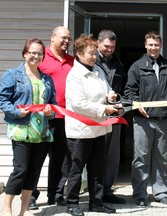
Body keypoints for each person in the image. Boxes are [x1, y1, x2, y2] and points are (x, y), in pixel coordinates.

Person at [0, 38, 57, 216]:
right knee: (20, 169)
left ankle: (25, 209)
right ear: (25, 54)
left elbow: (52, 104)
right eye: (33, 53)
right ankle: (6, 208)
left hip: (41, 132)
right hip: (22, 130)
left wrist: (49, 112)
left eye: (40, 53)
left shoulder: (47, 79)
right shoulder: (13, 74)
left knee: (34, 171)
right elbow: (1, 99)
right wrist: (16, 111)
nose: (36, 56)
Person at [124, 31, 167, 206]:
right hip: (143, 119)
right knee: (140, 156)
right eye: (150, 44)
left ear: (160, 45)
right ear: (145, 45)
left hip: (164, 119)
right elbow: (129, 92)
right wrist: (136, 104)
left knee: (162, 158)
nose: (153, 48)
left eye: (156, 45)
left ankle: (161, 192)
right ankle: (140, 194)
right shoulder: (137, 66)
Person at [65, 34, 119, 216]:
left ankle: (96, 202)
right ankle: (72, 203)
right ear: (79, 53)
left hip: (99, 129)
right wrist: (105, 108)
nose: (95, 57)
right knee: (76, 170)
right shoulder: (74, 75)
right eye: (91, 53)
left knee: (97, 169)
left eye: (95, 53)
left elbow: (106, 89)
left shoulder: (98, 70)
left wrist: (110, 96)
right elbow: (79, 104)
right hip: (80, 131)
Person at [29, 26, 74, 209]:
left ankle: (55, 194)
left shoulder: (72, 60)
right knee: (36, 159)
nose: (66, 41)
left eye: (68, 38)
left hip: (64, 118)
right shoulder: (41, 56)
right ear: (52, 37)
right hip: (42, 117)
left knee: (60, 160)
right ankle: (30, 195)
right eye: (63, 38)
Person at [96, 29, 126, 204]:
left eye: (112, 47)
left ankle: (107, 190)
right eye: (106, 46)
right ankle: (95, 192)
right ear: (99, 43)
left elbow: (121, 89)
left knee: (112, 156)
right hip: (95, 114)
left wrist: (121, 103)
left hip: (114, 115)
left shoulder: (118, 64)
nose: (109, 50)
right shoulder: (90, 61)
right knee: (95, 155)